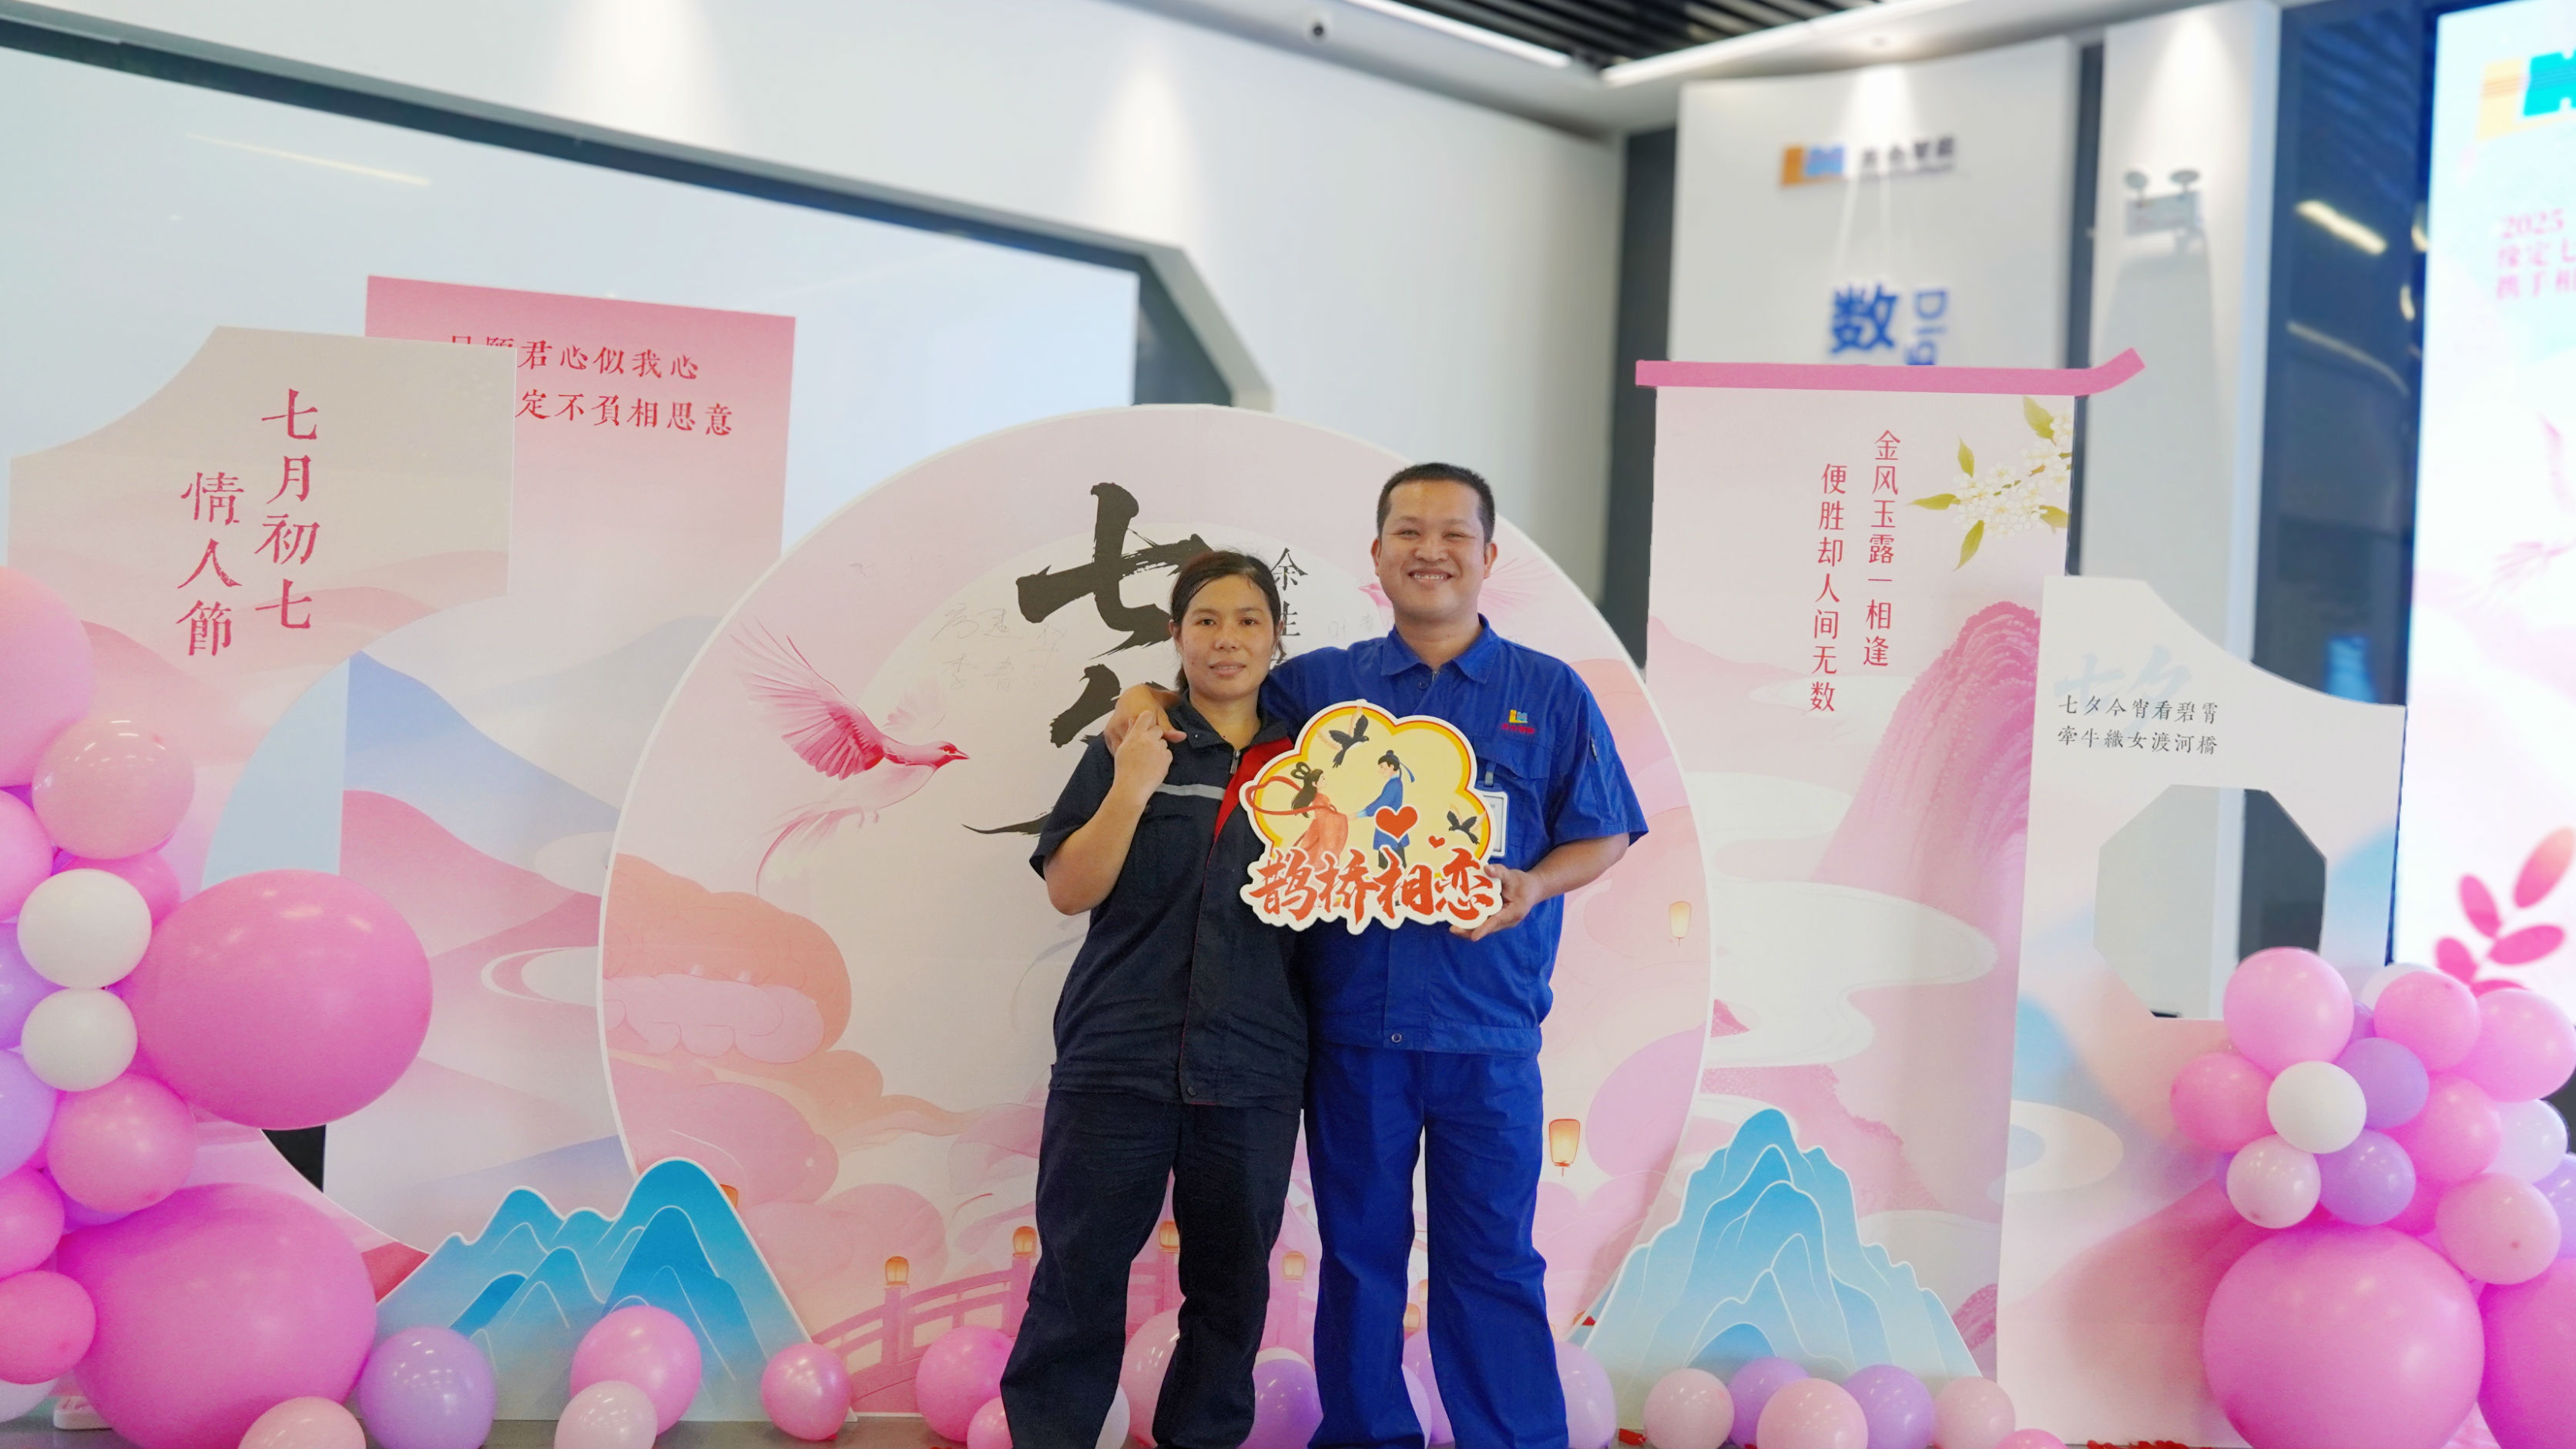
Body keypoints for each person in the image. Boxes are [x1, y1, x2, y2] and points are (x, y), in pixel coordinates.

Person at [1107, 463, 1648, 1448]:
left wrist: (1533, 886)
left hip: (1489, 1035)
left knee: (1493, 1259)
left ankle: (1512, 1439)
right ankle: (1366, 1435)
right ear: (1376, 553)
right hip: (1353, 1033)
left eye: (1452, 534)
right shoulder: (1321, 686)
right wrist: (1144, 690)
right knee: (1360, 1259)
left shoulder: (1548, 691)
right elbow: (1216, 691)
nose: (1428, 550)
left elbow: (1604, 831)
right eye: (1407, 531)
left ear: (1488, 555)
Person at [1001, 551, 1310, 1449]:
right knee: (1077, 1280)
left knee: (1230, 1292)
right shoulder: (1130, 744)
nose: (1227, 639)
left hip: (1251, 1070)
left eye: (1248, 620)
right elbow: (1070, 888)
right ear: (1176, 634)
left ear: (1276, 637)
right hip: (1116, 1060)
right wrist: (1133, 783)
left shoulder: (1312, 765)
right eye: (1205, 620)